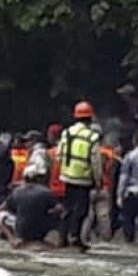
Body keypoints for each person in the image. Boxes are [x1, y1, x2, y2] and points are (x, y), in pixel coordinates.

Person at [58, 102, 102, 249]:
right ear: (90, 119)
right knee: (81, 209)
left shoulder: (66, 133)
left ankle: (62, 238)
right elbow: (96, 162)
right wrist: (98, 181)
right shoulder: (92, 137)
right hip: (84, 178)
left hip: (67, 176)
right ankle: (75, 236)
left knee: (68, 208)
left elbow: (59, 155)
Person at [0, 167, 64, 248]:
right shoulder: (46, 192)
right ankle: (61, 241)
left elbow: (1, 208)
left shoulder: (17, 191)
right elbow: (60, 208)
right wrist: (47, 213)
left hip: (22, 230)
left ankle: (12, 240)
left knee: (1, 216)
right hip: (42, 228)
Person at [81, 135, 117, 244]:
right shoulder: (111, 154)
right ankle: (106, 240)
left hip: (90, 186)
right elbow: (112, 173)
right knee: (104, 216)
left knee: (88, 216)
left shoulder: (87, 152)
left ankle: (84, 239)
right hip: (105, 188)